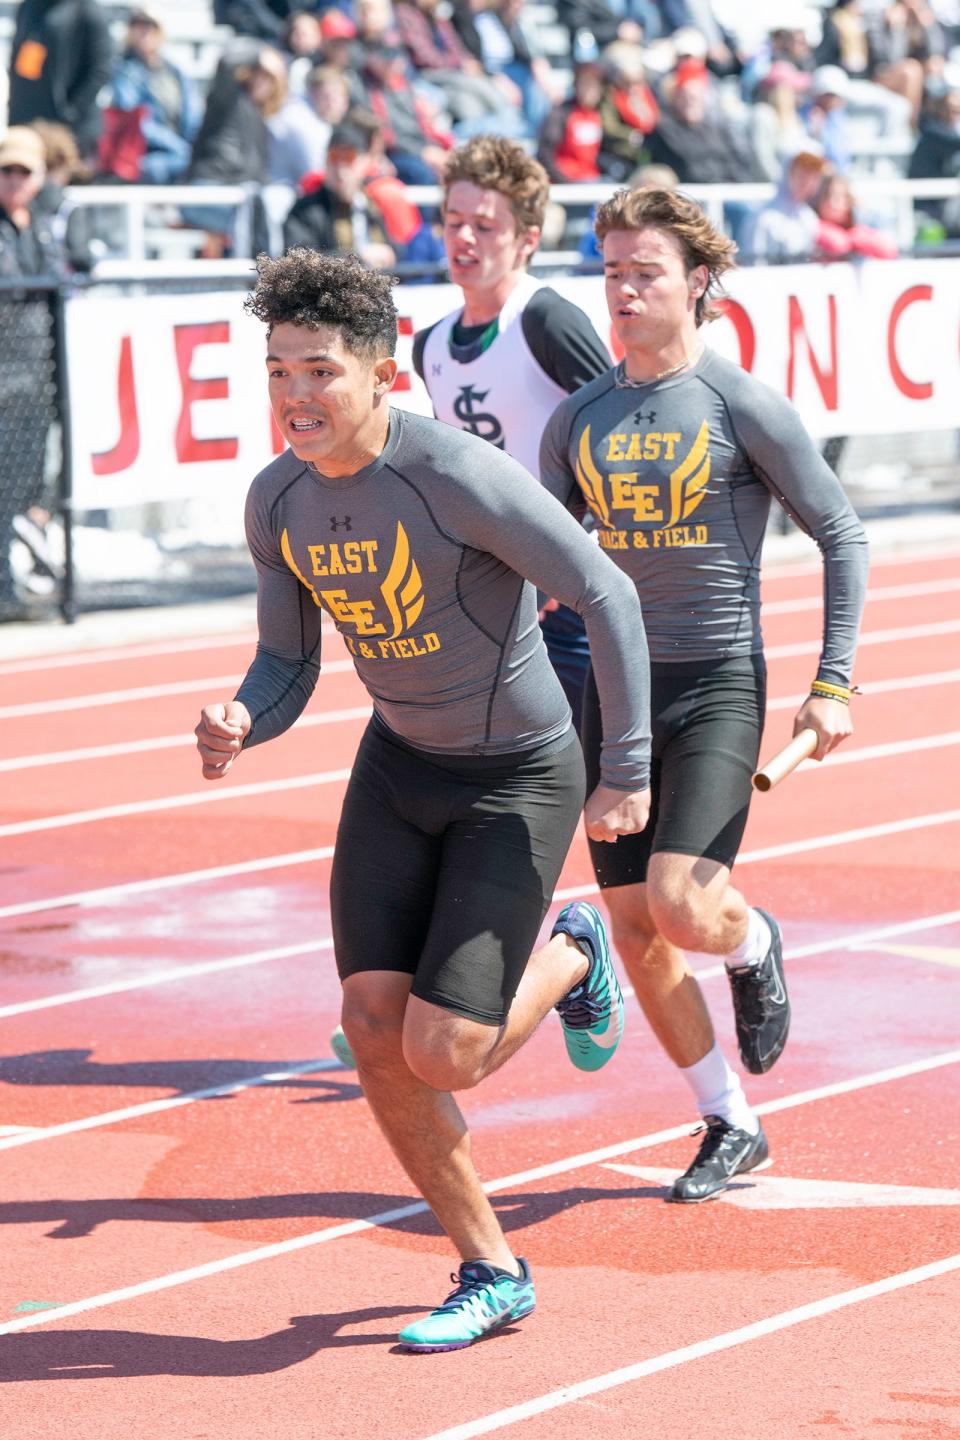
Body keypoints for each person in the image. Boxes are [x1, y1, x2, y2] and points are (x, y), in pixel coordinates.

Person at [195, 248, 652, 1350]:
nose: (297, 397)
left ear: (383, 376)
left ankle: (575, 955)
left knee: (445, 1052)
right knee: (369, 1028)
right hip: (399, 766)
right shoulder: (278, 501)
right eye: (279, 374)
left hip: (519, 773)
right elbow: (288, 663)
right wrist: (246, 718)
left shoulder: (454, 475)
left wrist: (626, 766)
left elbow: (605, 589)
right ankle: (489, 1267)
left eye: (320, 373)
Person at [539, 185, 869, 1202]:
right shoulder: (578, 420)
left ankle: (754, 939)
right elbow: (544, 568)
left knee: (686, 902)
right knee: (634, 925)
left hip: (720, 678)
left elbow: (842, 533)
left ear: (698, 284)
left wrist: (833, 681)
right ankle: (729, 1120)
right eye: (611, 273)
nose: (623, 291)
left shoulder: (738, 403)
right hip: (614, 693)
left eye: (645, 272)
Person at [412, 135, 612, 724]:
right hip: (490, 591)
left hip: (572, 592)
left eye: (484, 225)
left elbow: (614, 439)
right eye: (453, 221)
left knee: (591, 777)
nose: (464, 238)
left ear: (527, 239)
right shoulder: (432, 344)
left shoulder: (546, 320)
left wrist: (556, 555)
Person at [0, 126, 67, 618]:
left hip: (37, 373)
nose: (16, 180)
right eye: (8, 170)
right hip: (6, 372)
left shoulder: (42, 224)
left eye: (25, 171)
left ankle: (11, 575)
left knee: (28, 480)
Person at [6, 0, 113, 161]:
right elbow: (17, 57)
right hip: (25, 121)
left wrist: (70, 111)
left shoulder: (86, 10)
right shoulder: (28, 6)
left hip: (68, 131)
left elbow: (100, 70)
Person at [106, 9, 203, 184]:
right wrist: (178, 147)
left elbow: (192, 115)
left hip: (179, 151)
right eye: (137, 25)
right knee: (161, 167)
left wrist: (191, 147)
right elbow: (135, 121)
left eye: (150, 26)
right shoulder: (125, 71)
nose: (144, 32)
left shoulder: (175, 71)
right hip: (143, 154)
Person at [282, 120, 397, 267]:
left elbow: (394, 249)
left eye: (349, 158)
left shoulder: (371, 205)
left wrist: (390, 253)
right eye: (334, 157)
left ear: (365, 162)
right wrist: (358, 257)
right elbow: (299, 260)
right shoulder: (306, 209)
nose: (340, 168)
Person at [741, 148, 828, 262]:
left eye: (813, 174)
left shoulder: (809, 218)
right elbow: (754, 267)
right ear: (788, 173)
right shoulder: (763, 219)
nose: (807, 181)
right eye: (802, 173)